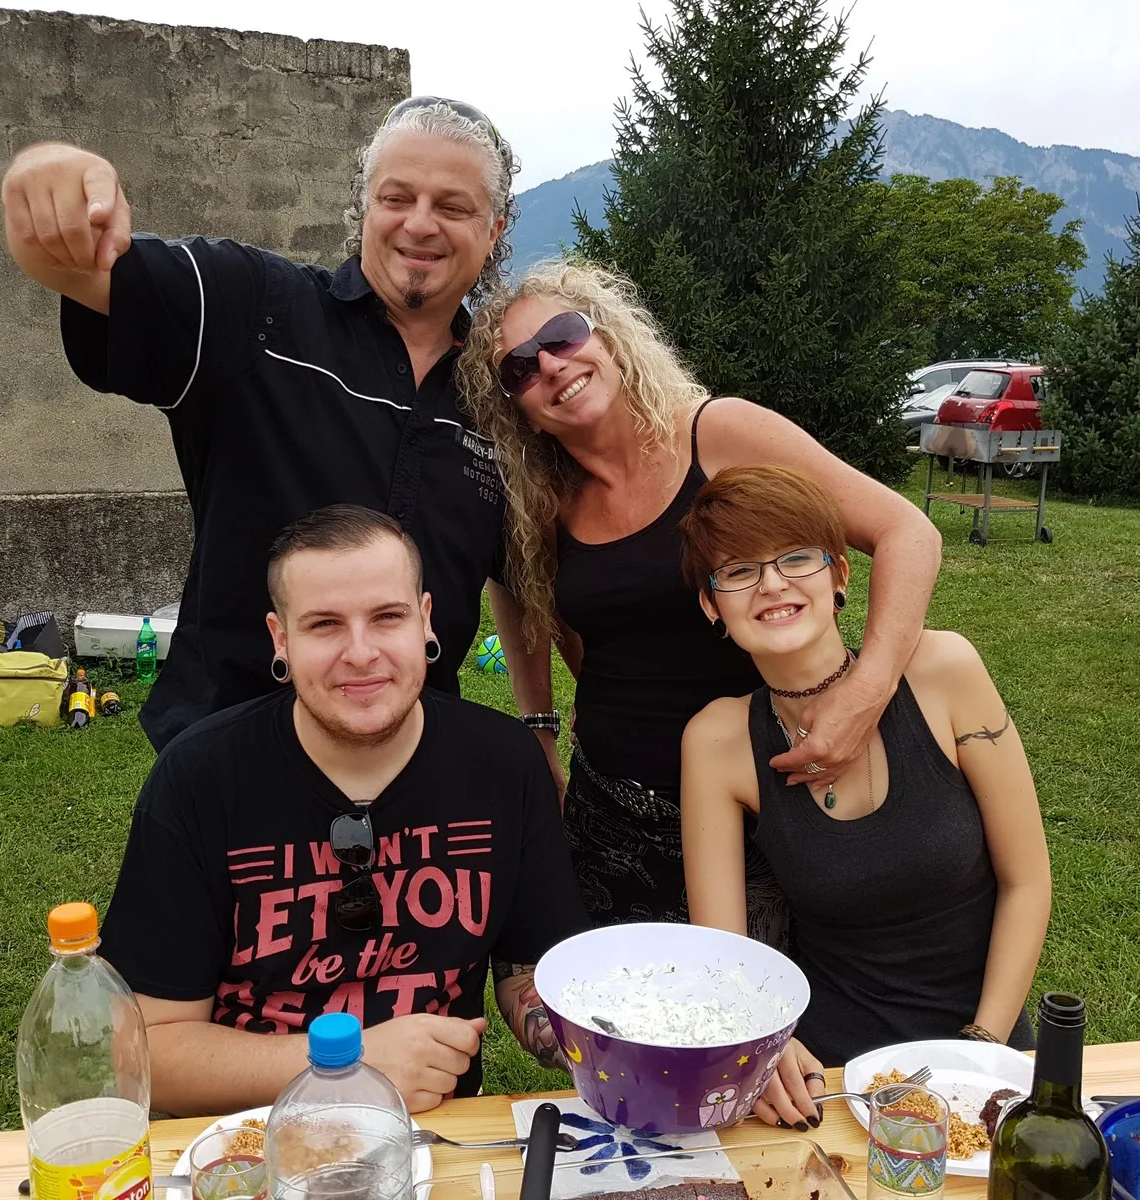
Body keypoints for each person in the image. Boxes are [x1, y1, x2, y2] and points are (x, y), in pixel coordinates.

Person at [0, 99, 562, 780]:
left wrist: (539, 726)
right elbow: (81, 268)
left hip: (414, 776)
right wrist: (49, 170)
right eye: (397, 197)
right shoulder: (256, 310)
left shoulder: (501, 400)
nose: (419, 223)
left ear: (493, 229)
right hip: (233, 771)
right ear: (364, 206)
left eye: (452, 206)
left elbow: (518, 573)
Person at [456, 261, 942, 926]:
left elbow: (907, 532)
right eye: (519, 368)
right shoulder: (544, 502)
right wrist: (540, 727)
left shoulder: (718, 435)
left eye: (562, 334)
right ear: (522, 414)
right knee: (626, 991)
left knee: (770, 987)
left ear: (609, 339)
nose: (550, 365)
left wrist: (868, 690)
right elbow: (523, 596)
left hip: (769, 798)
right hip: (614, 817)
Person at [98, 504, 588, 1115]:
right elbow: (141, 1053)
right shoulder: (200, 777)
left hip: (433, 1136)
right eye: (325, 624)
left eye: (387, 617)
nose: (360, 653)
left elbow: (529, 970)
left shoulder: (503, 763)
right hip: (246, 1137)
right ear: (281, 638)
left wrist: (595, 1034)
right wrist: (350, 1064)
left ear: (425, 621)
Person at [677, 464, 1052, 1128]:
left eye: (796, 558)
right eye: (738, 571)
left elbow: (1027, 882)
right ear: (712, 606)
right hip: (829, 1078)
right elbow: (724, 955)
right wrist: (766, 1043)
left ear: (840, 576)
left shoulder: (944, 673)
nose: (772, 584)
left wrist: (981, 1051)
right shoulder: (718, 741)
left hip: (985, 1055)